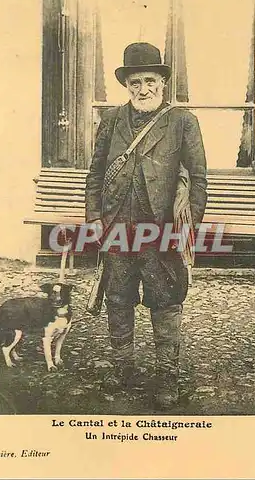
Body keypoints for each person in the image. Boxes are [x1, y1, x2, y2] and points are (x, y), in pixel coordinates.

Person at [85, 42, 207, 409]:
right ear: (127, 85)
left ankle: (166, 380)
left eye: (150, 80)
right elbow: (94, 174)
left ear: (163, 83)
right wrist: (94, 219)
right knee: (118, 300)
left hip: (162, 231)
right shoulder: (111, 121)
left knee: (166, 302)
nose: (143, 89)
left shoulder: (183, 121)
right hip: (117, 227)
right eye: (135, 82)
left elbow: (199, 178)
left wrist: (188, 226)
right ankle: (125, 373)